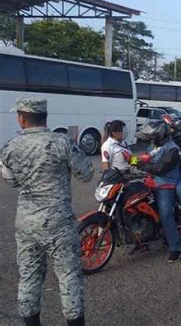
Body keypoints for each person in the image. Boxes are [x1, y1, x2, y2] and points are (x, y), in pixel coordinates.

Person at [1, 98, 94, 326]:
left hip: (26, 222)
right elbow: (86, 175)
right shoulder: (63, 142)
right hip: (59, 223)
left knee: (29, 276)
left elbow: (9, 180)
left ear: (21, 118)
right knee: (68, 276)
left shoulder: (9, 146)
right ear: (45, 116)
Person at [134, 121, 181, 262]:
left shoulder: (173, 150)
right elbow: (144, 157)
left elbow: (159, 168)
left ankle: (175, 249)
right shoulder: (154, 146)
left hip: (165, 187)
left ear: (161, 135)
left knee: (165, 216)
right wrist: (129, 161)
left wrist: (140, 164)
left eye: (154, 137)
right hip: (150, 183)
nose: (151, 139)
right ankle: (141, 239)